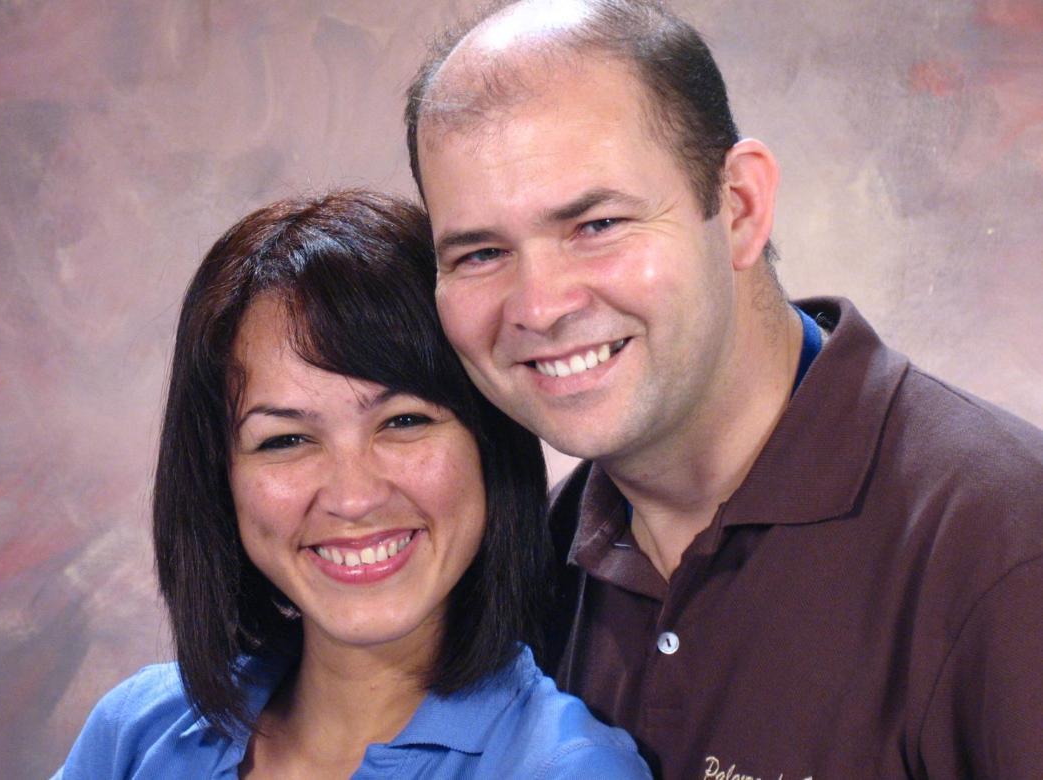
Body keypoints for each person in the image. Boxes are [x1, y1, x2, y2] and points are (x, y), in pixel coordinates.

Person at [404, 1, 1043, 778]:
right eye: (479, 254)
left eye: (597, 225)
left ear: (739, 206)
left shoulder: (1006, 548)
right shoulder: (526, 574)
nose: (538, 307)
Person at [53, 190, 651, 778]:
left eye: (404, 422)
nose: (353, 498)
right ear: (219, 480)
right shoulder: (136, 735)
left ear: (489, 444)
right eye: (286, 440)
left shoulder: (566, 769)